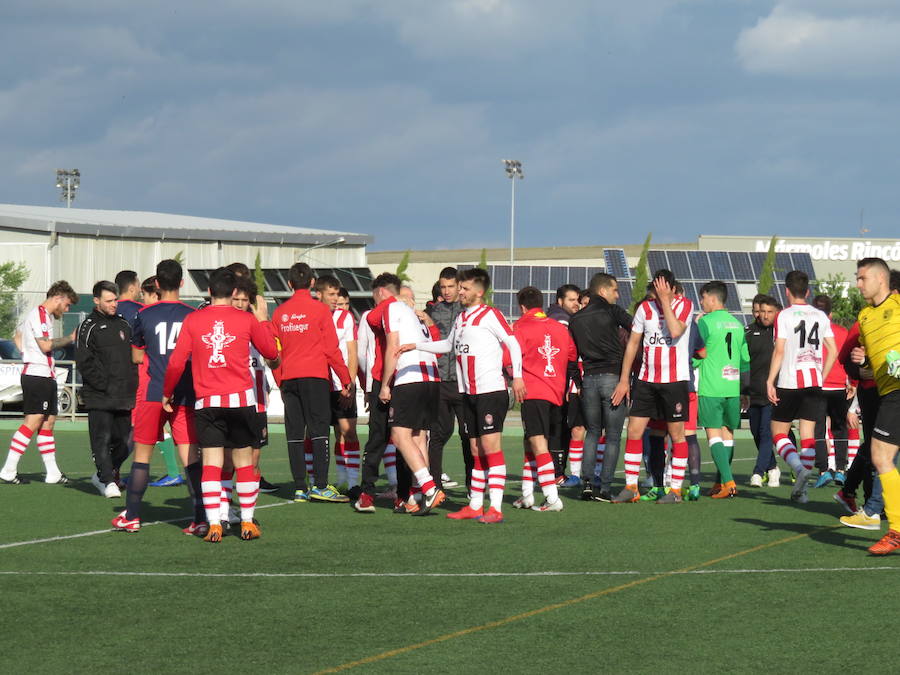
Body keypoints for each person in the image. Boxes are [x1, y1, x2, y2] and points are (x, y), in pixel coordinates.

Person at [161, 267, 278, 542]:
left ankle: (215, 522)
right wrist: (261, 320)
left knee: (212, 464)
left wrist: (166, 393)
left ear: (209, 291)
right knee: (244, 463)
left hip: (207, 403)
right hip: (241, 402)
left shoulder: (193, 320)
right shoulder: (245, 320)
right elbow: (272, 353)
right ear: (235, 293)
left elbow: (177, 362)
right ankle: (247, 522)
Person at [410, 268, 525, 523]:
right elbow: (447, 345)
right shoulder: (461, 318)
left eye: (464, 288)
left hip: (490, 391)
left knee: (490, 447)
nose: (459, 292)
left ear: (479, 292)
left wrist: (517, 376)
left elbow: (513, 343)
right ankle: (475, 505)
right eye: (458, 288)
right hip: (468, 393)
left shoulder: (490, 315)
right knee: (474, 448)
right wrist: (414, 345)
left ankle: (495, 508)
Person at [113, 259, 205, 534]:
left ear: (155, 284)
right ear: (181, 283)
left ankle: (132, 515)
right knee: (190, 456)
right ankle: (200, 518)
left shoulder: (144, 314)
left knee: (142, 455)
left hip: (154, 391)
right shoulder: (193, 315)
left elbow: (136, 355)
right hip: (185, 393)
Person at [612, 269, 693, 504]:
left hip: (674, 381)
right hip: (647, 380)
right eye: (655, 290)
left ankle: (675, 490)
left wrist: (666, 301)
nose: (657, 295)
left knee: (677, 435)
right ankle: (631, 486)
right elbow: (633, 344)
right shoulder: (644, 309)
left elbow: (676, 331)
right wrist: (625, 378)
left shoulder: (684, 305)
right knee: (634, 431)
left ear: (671, 288)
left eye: (662, 289)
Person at [272, 263, 351, 503]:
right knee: (318, 432)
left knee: (294, 434)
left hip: (289, 380)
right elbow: (331, 348)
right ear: (313, 283)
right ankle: (320, 485)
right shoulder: (319, 310)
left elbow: (274, 352)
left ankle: (299, 488)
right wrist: (346, 378)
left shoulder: (279, 313)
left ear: (289, 284)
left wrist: (280, 379)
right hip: (315, 377)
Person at [766, 270, 837, 504]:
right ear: (807, 291)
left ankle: (798, 468)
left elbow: (779, 350)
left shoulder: (784, 316)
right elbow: (833, 351)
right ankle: (802, 492)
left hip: (789, 381)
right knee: (807, 435)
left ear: (786, 291)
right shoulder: (821, 316)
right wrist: (821, 375)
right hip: (814, 382)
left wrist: (770, 380)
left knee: (778, 433)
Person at [377, 276, 446, 515]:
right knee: (418, 437)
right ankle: (417, 498)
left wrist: (386, 384)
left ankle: (429, 487)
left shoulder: (391, 308)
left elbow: (392, 347)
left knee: (398, 435)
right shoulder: (418, 317)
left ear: (383, 293)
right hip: (432, 378)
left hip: (410, 377)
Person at [0, 281, 77, 484]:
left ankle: (52, 473)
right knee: (33, 421)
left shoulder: (44, 316)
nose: (67, 309)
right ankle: (8, 470)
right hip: (37, 375)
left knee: (48, 422)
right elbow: (45, 345)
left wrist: (26, 350)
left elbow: (17, 335)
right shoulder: (40, 314)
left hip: (45, 374)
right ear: (58, 297)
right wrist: (70, 338)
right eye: (67, 304)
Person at [849, 257, 900, 554]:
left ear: (881, 279)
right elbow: (872, 368)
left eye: (862, 278)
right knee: (881, 456)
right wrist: (865, 361)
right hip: (888, 392)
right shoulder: (865, 317)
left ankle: (895, 529)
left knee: (880, 455)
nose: (858, 284)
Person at [511, 286, 577, 512]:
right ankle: (528, 495)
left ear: (522, 307)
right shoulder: (559, 327)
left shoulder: (520, 326)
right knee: (530, 441)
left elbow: (508, 357)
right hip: (556, 393)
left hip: (533, 392)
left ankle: (551, 497)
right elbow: (571, 355)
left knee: (538, 443)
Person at [567, 272, 632, 501]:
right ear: (603, 291)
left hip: (589, 380)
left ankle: (586, 483)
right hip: (613, 378)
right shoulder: (612, 311)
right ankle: (605, 488)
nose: (618, 294)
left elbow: (571, 356)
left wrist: (578, 382)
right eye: (615, 290)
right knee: (613, 435)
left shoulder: (576, 319)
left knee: (592, 433)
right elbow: (636, 328)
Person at [76, 281, 137, 498]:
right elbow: (84, 361)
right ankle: (108, 480)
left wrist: (132, 383)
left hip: (124, 394)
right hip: (99, 395)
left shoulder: (123, 323)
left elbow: (132, 357)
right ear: (97, 301)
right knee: (101, 438)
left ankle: (103, 472)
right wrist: (102, 384)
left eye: (115, 300)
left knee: (124, 441)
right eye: (109, 301)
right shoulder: (88, 326)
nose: (114, 305)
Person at [694, 281, 749, 499]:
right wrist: (745, 390)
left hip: (711, 386)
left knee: (713, 434)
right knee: (728, 434)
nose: (701, 302)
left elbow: (698, 354)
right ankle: (720, 481)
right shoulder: (737, 323)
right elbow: (745, 360)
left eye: (702, 298)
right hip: (733, 387)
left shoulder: (705, 322)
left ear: (712, 298)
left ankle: (729, 482)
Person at [426, 267, 469, 491]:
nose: (447, 290)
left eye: (451, 286)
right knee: (438, 434)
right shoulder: (432, 312)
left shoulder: (470, 312)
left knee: (467, 435)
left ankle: (474, 487)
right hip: (440, 382)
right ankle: (434, 487)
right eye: (443, 286)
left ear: (459, 286)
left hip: (464, 384)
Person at [316, 275, 361, 492]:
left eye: (337, 295)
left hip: (342, 384)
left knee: (348, 430)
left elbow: (352, 353)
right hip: (320, 384)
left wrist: (349, 384)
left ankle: (353, 482)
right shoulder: (314, 315)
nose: (335, 299)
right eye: (331, 295)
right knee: (325, 433)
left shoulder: (346, 318)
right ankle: (336, 478)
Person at [811, 294, 853, 488]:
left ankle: (823, 470)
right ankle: (842, 470)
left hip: (817, 385)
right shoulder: (842, 331)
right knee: (839, 428)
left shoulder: (809, 331)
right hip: (839, 386)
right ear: (831, 312)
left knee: (818, 429)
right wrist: (852, 382)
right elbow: (849, 359)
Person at [743, 294, 781, 487]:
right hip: (753, 393)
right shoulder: (749, 332)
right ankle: (773, 468)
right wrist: (743, 391)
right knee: (756, 433)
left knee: (767, 433)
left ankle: (758, 472)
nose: (765, 315)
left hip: (774, 393)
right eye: (762, 311)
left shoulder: (780, 333)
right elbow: (743, 362)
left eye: (769, 312)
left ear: (776, 313)